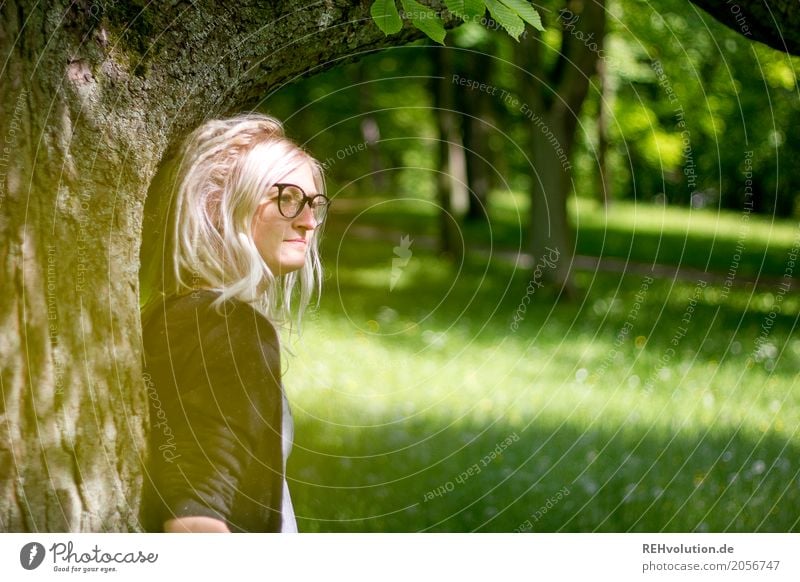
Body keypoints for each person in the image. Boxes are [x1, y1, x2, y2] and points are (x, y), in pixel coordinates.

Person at [139, 113, 328, 532]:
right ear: (222, 204)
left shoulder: (179, 315)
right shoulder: (227, 325)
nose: (309, 221)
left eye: (314, 204)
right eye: (288, 198)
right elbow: (196, 519)